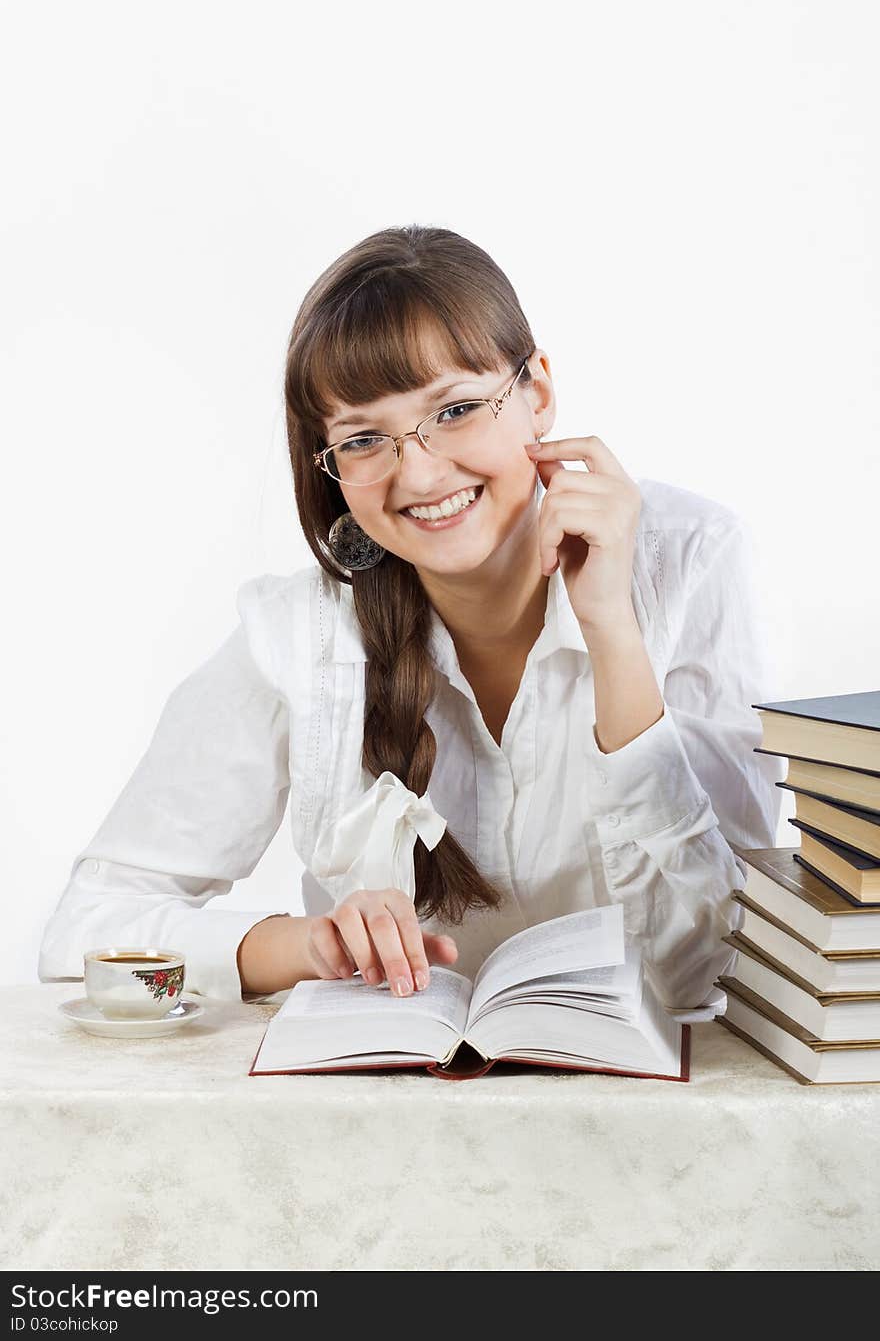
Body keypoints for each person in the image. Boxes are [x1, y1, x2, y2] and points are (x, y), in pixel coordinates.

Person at [38, 224, 784, 1020]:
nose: (420, 473)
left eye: (457, 409)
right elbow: (85, 933)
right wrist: (306, 946)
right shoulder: (296, 635)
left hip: (655, 1123)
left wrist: (612, 634)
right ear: (327, 465)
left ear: (537, 389)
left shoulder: (689, 559)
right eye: (364, 439)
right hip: (397, 1124)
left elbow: (727, 966)